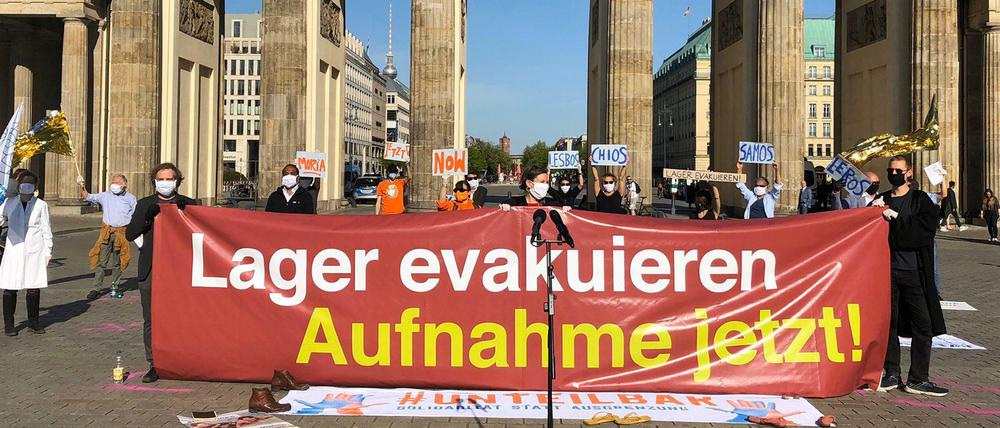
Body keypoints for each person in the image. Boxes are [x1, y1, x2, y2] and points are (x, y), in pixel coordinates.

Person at [872, 155, 948, 396]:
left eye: (898, 170)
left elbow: (921, 233)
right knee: (889, 324)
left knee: (923, 325)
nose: (893, 174)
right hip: (887, 272)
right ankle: (891, 373)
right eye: (890, 170)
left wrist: (895, 218)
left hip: (915, 272)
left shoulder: (920, 200)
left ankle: (918, 378)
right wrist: (871, 212)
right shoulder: (881, 200)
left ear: (909, 173)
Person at [126, 163, 197, 383]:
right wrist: (147, 218)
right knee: (151, 319)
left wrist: (188, 213)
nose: (165, 183)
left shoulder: (189, 203)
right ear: (155, 181)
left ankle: (182, 358)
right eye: (161, 179)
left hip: (180, 269)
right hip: (151, 268)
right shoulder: (144, 204)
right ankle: (154, 363)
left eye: (169, 179)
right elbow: (130, 234)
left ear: (177, 181)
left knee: (180, 317)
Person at [1, 171, 52, 336]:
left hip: (34, 250)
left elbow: (46, 230)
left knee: (33, 288)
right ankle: (9, 325)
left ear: (35, 186)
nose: (27, 185)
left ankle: (33, 323)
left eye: (31, 182)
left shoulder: (41, 205)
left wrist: (48, 251)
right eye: (24, 182)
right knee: (10, 288)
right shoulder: (9, 202)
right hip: (14, 250)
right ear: (19, 185)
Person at [80, 174, 137, 300]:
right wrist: (82, 186)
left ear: (124, 185)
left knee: (117, 262)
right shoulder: (105, 196)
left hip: (121, 233)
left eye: (117, 183)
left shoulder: (131, 199)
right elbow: (88, 196)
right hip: (107, 233)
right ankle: (96, 288)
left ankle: (115, 286)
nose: (114, 185)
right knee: (102, 262)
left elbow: (135, 216)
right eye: (113, 182)